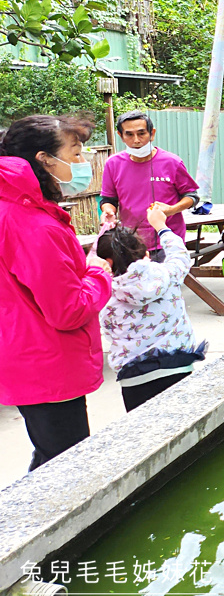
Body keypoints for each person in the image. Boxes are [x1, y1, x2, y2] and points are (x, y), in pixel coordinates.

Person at [0, 115, 113, 470]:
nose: (82, 163)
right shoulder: (32, 224)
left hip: (22, 353)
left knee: (52, 454)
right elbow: (68, 310)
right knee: (66, 467)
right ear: (45, 160)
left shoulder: (14, 209)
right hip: (46, 362)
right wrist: (99, 272)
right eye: (75, 153)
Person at [96, 205, 206, 412]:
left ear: (107, 263)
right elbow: (180, 255)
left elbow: (107, 329)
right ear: (146, 253)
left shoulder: (104, 294)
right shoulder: (167, 274)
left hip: (134, 378)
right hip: (178, 366)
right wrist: (161, 226)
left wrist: (103, 239)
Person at [100, 111, 200, 255]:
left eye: (141, 133)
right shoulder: (112, 164)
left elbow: (192, 196)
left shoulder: (172, 162)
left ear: (152, 134)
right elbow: (108, 199)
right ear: (121, 136)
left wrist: (172, 209)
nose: (136, 140)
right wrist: (108, 211)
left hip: (168, 242)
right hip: (130, 244)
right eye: (129, 134)